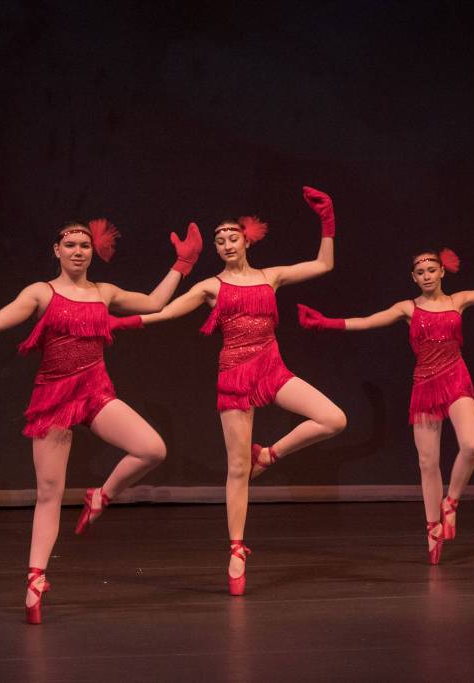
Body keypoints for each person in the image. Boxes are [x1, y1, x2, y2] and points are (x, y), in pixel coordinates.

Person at [0, 218, 202, 623]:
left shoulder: (104, 292)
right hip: (54, 397)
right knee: (49, 493)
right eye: (70, 244)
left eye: (84, 245)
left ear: (93, 252)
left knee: (151, 448)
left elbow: (153, 303)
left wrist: (181, 264)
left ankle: (102, 495)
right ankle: (36, 580)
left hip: (95, 392)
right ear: (56, 250)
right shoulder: (41, 292)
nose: (78, 251)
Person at [111, 187, 346, 595]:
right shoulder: (210, 287)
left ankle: (269, 454)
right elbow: (163, 312)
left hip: (272, 367)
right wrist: (119, 324)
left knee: (333, 419)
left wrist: (327, 220)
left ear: (246, 238)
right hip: (235, 373)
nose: (225, 244)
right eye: (218, 241)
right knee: (237, 468)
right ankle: (236, 549)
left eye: (231, 237)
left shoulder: (271, 276)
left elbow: (324, 264)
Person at [297, 221, 474, 564]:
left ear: (442, 271)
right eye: (419, 272)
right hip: (425, 384)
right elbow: (367, 321)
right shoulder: (407, 309)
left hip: (456, 377)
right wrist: (327, 322)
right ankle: (431, 528)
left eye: (431, 269)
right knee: (428, 463)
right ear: (413, 278)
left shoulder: (459, 301)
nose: (426, 275)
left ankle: (451, 503)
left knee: (471, 444)